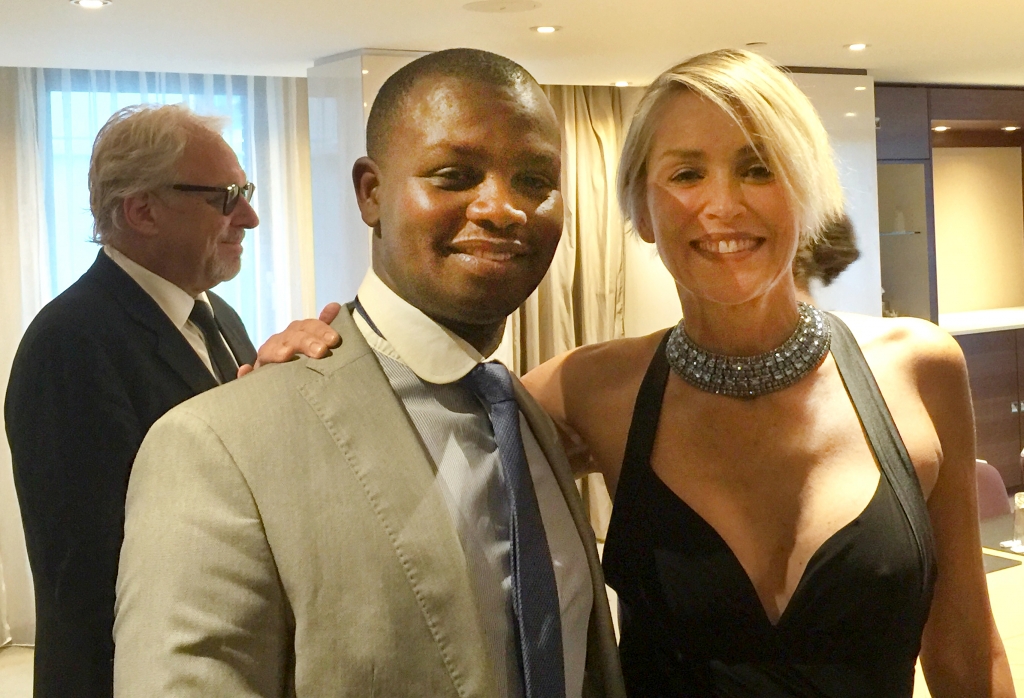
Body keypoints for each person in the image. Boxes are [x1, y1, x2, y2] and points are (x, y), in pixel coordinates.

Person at [113, 49, 624, 698]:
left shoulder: (527, 418)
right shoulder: (219, 446)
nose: (503, 208)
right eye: (454, 174)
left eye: (534, 179)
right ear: (371, 193)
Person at [520, 49, 1014, 696]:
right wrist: (344, 346)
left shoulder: (918, 367)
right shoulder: (592, 391)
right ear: (640, 207)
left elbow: (965, 654)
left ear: (808, 194)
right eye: (686, 173)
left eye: (758, 168)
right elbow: (419, 438)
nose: (722, 205)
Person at [4, 103, 259, 698]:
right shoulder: (70, 341)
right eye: (225, 197)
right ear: (142, 210)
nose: (249, 215)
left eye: (245, 191)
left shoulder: (219, 317)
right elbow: (95, 569)